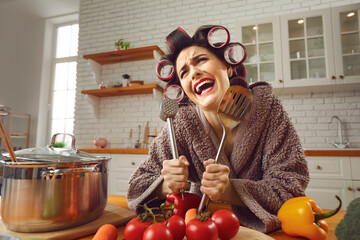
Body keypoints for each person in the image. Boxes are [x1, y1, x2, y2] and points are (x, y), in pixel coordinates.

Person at [127, 25, 309, 233]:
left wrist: (230, 190)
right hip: (201, 227)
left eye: (201, 60)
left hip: (263, 232)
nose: (193, 73)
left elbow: (291, 185)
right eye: (184, 72)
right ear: (184, 89)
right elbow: (136, 186)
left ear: (228, 66)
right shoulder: (181, 123)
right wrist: (165, 184)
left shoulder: (266, 108)